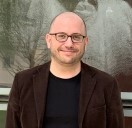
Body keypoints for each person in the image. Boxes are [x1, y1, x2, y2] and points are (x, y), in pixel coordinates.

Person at [5, 12, 124, 128]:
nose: (69, 44)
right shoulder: (23, 82)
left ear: (85, 42)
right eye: (61, 36)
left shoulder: (106, 84)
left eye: (76, 37)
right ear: (48, 40)